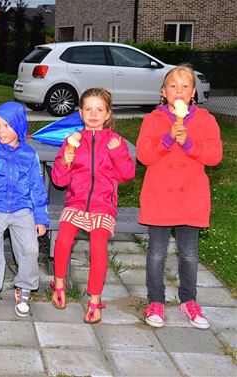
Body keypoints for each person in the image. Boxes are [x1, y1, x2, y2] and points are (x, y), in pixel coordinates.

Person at [137, 65, 222, 329]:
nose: (179, 91)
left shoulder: (206, 120)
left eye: (185, 86)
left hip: (191, 197)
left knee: (189, 254)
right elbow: (144, 155)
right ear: (163, 93)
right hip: (159, 196)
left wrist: (188, 144)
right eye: (173, 86)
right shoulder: (153, 120)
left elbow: (214, 155)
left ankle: (189, 300)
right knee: (156, 254)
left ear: (193, 93)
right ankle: (155, 301)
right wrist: (166, 139)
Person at [50, 88, 135, 324]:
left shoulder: (115, 142)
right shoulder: (72, 141)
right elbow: (59, 180)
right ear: (80, 112)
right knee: (64, 239)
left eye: (99, 109)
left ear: (108, 114)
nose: (93, 114)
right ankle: (58, 286)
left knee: (98, 247)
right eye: (88, 109)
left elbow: (127, 174)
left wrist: (117, 152)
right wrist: (66, 161)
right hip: (76, 202)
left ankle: (95, 299)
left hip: (102, 205)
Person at [0, 101, 49, 320]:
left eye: (6, 125)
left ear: (20, 126)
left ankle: (24, 287)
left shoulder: (29, 156)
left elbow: (36, 188)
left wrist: (40, 217)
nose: (1, 131)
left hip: (22, 208)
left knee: (30, 249)